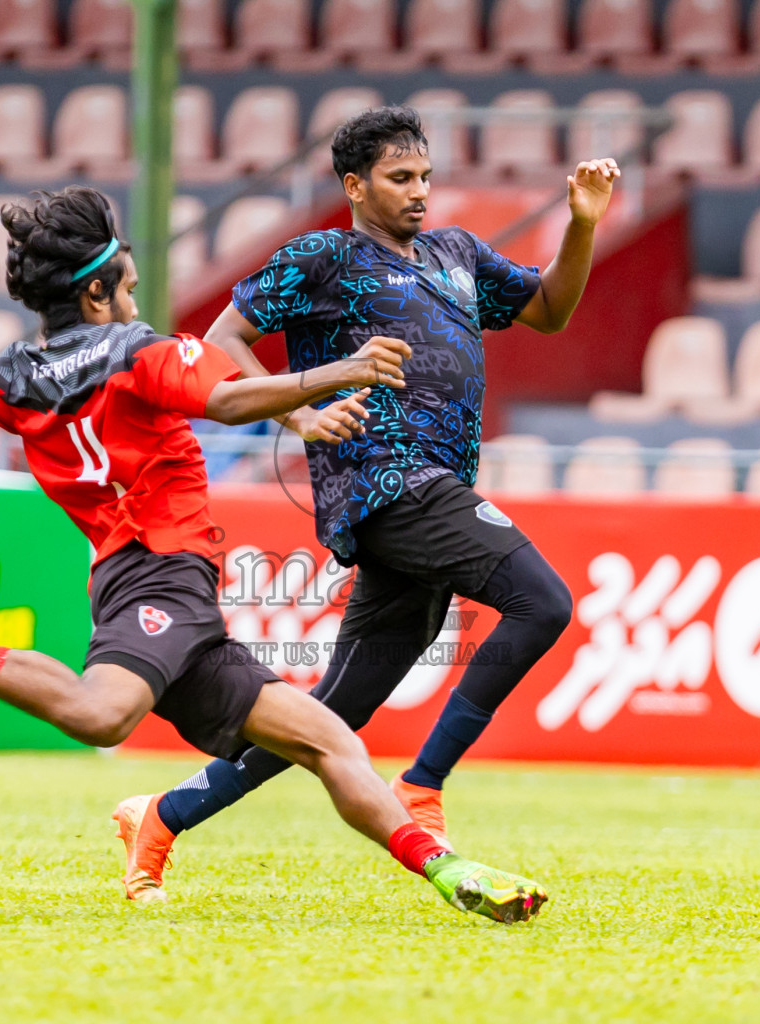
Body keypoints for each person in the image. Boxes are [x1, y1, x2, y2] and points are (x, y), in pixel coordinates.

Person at [0, 185, 548, 924]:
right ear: (95, 296)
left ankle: (449, 872)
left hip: (168, 598)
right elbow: (231, 399)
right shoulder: (141, 354)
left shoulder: (10, 376)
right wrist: (336, 374)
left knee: (328, 739)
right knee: (101, 713)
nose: (140, 303)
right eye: (132, 288)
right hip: (158, 576)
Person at [119, 107, 621, 900]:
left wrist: (581, 226)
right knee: (543, 601)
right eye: (400, 179)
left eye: (424, 176)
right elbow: (222, 341)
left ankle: (162, 814)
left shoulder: (455, 252)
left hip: (435, 488)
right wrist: (303, 413)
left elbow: (548, 312)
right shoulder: (324, 257)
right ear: (355, 187)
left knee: (332, 717)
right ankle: (423, 785)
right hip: (386, 485)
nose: (420, 192)